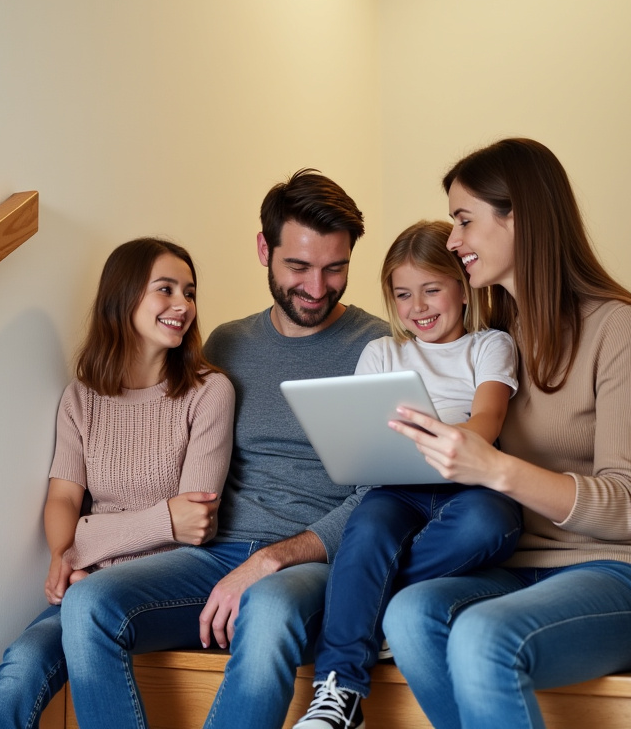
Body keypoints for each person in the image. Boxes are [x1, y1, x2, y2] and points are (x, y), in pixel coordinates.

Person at [58, 169, 391, 729]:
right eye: (298, 266)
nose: (317, 287)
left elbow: (379, 497)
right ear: (264, 249)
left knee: (268, 607)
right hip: (210, 560)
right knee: (88, 605)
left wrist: (271, 559)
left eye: (335, 268)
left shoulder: (377, 348)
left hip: (313, 563)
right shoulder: (228, 343)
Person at [383, 138, 631, 729]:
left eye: (464, 220)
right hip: (516, 569)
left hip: (626, 571)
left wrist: (494, 468)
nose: (453, 241)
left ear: (518, 216)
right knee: (410, 615)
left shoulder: (622, 329)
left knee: (481, 634)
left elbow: (628, 507)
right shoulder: (493, 341)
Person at [0, 237, 235, 729]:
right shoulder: (82, 399)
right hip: (90, 579)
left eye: (189, 292)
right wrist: (63, 555)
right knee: (20, 666)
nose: (183, 304)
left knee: (89, 607)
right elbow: (63, 498)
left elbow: (195, 524)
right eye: (166, 289)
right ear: (124, 296)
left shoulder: (209, 392)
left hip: (173, 580)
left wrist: (85, 540)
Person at [293, 220, 523, 729]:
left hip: (470, 484)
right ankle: (338, 692)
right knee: (365, 531)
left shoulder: (489, 345)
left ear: (462, 288)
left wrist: (444, 440)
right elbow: (363, 433)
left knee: (486, 525)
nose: (417, 306)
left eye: (431, 290)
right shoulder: (383, 352)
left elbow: (487, 422)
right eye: (402, 295)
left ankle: (366, 599)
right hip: (398, 488)